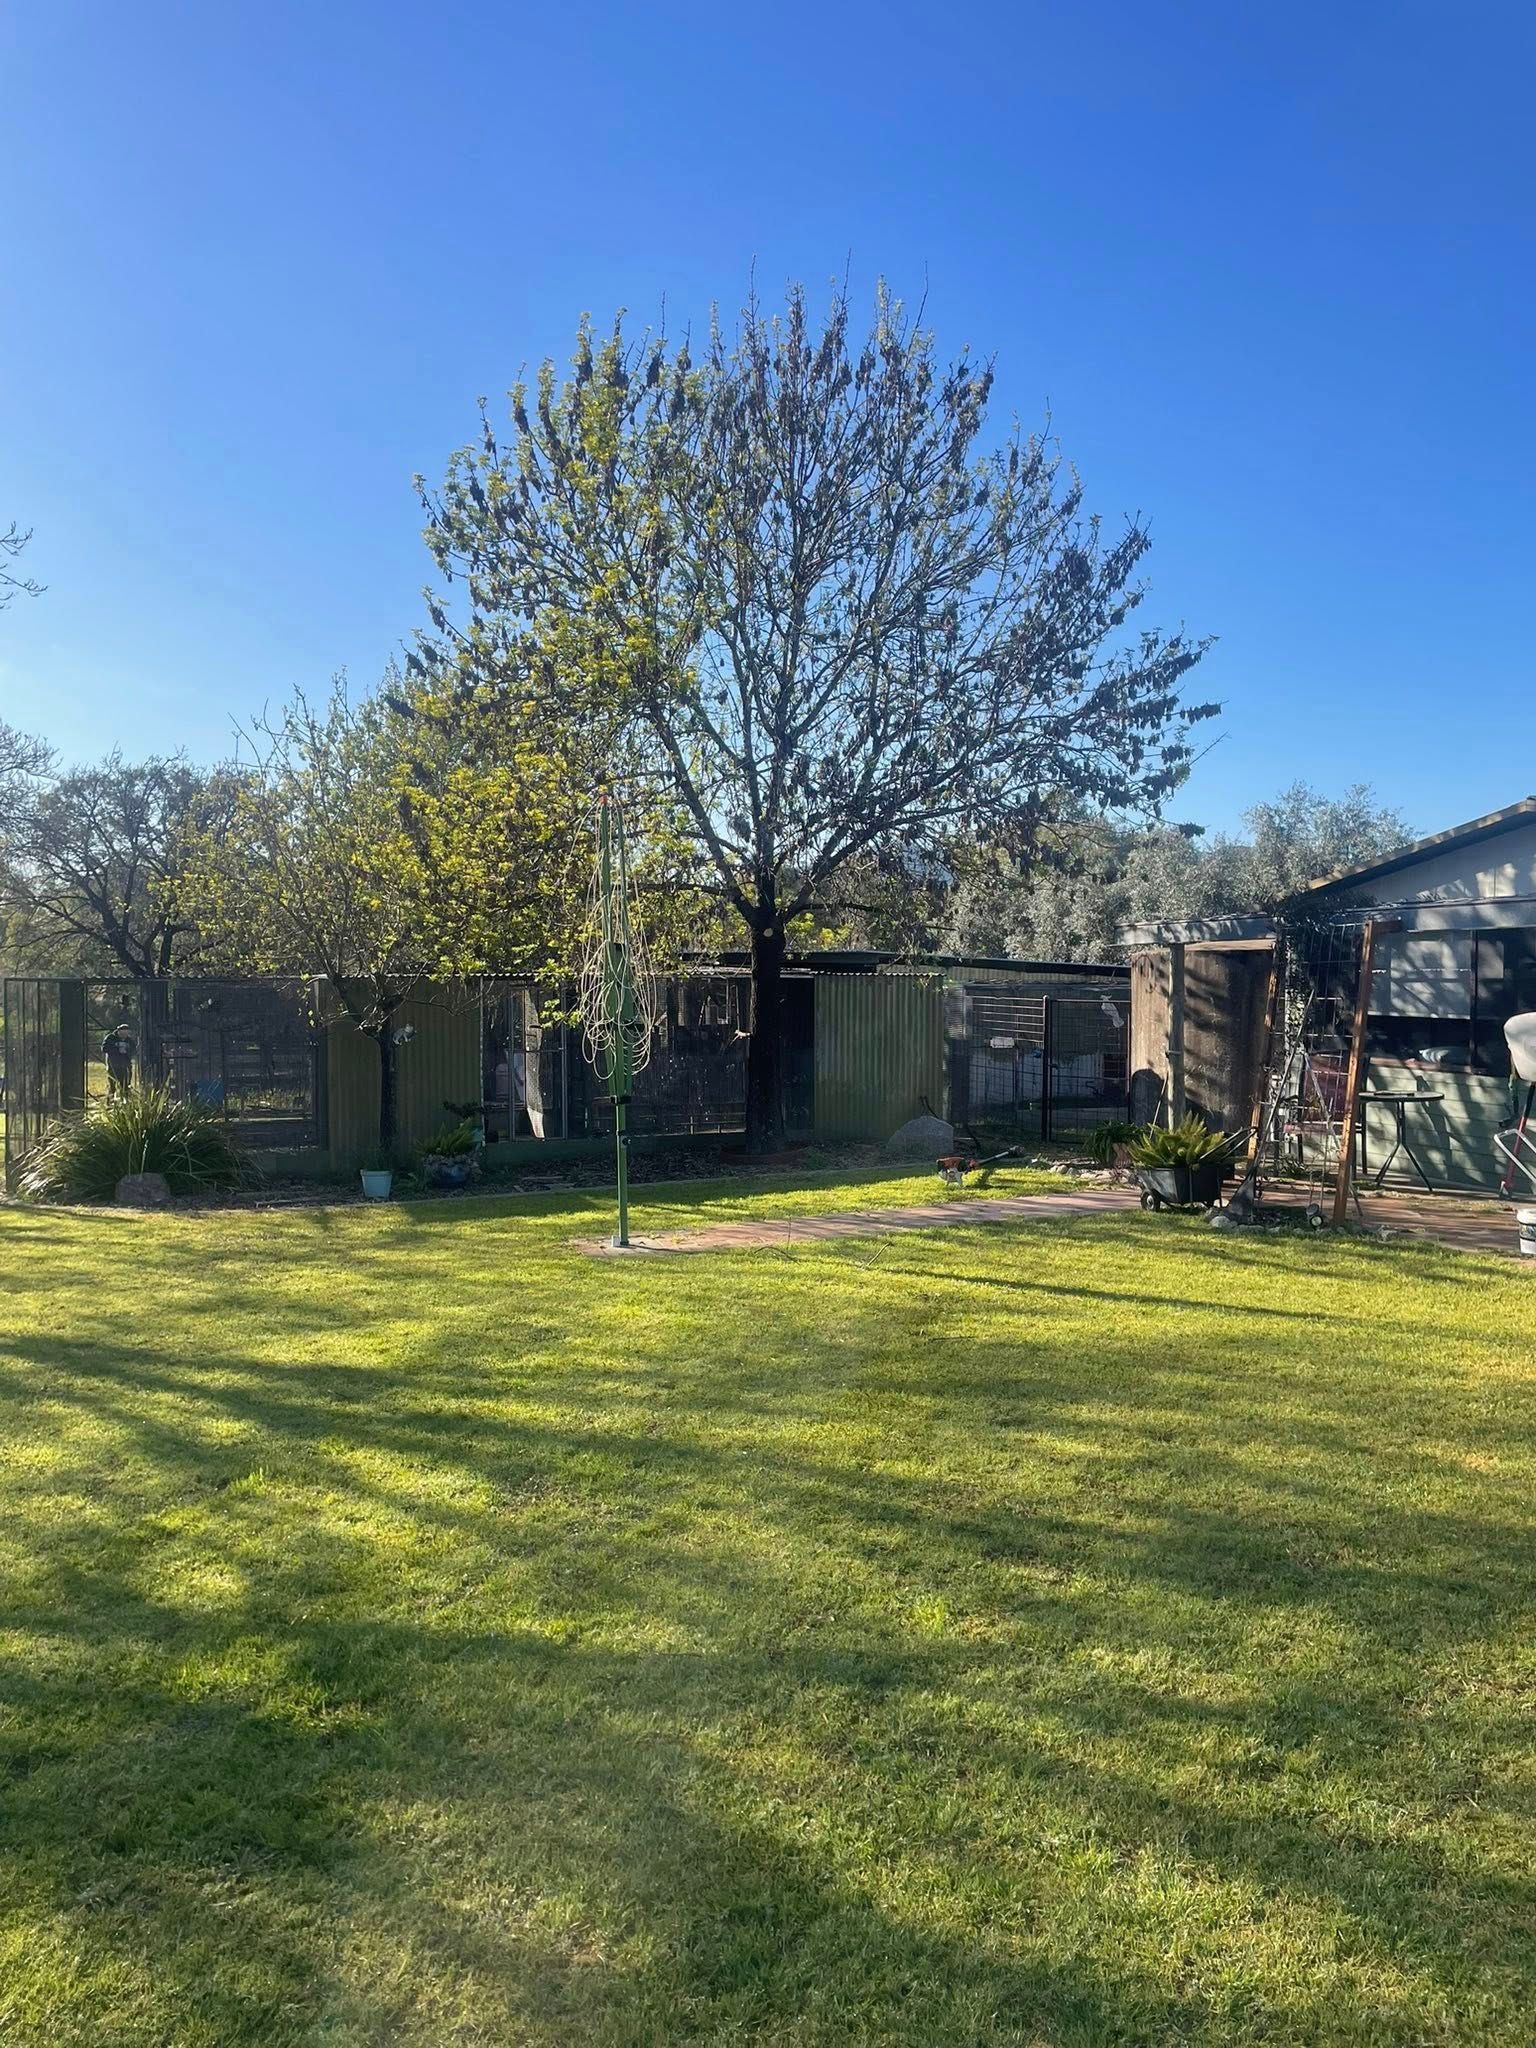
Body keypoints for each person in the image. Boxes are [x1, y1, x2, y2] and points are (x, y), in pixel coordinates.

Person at [101, 1009, 138, 1099]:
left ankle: (125, 1102)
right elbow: (104, 1048)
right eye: (123, 1033)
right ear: (118, 1031)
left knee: (125, 1086)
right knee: (112, 1086)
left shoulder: (129, 1040)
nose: (125, 1035)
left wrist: (127, 1051)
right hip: (113, 1066)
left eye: (127, 1033)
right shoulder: (110, 1038)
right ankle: (110, 1102)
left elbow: (134, 1050)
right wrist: (116, 1049)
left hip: (125, 1066)